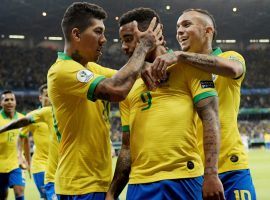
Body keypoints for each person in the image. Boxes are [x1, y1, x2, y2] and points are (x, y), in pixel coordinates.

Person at [106, 8, 224, 200]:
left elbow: (211, 117)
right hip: (139, 183)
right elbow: (127, 147)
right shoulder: (128, 85)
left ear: (153, 34)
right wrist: (112, 193)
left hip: (184, 178)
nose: (123, 47)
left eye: (128, 39)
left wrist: (211, 173)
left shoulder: (188, 65)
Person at [47, 2, 162, 198]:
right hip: (80, 184)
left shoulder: (91, 69)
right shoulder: (61, 71)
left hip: (94, 183)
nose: (104, 39)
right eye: (98, 32)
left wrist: (151, 65)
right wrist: (142, 48)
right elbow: (117, 89)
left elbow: (128, 77)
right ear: (76, 35)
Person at [149, 8, 256, 200]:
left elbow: (233, 69)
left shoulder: (230, 57)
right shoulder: (176, 70)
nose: (179, 31)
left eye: (187, 24)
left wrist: (181, 56)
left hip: (231, 168)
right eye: (178, 27)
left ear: (209, 31)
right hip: (191, 174)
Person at [18, 84, 50, 199]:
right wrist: (20, 156)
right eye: (46, 95)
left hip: (60, 166)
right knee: (49, 197)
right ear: (40, 98)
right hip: (40, 165)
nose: (50, 97)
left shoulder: (60, 115)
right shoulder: (33, 116)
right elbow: (21, 135)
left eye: (51, 94)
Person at [0, 90, 25, 200]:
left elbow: (24, 140)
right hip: (0, 165)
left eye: (12, 99)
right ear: (1, 103)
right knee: (2, 195)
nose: (9, 102)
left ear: (15, 102)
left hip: (15, 164)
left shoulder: (23, 119)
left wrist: (24, 158)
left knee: (19, 190)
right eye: (6, 100)